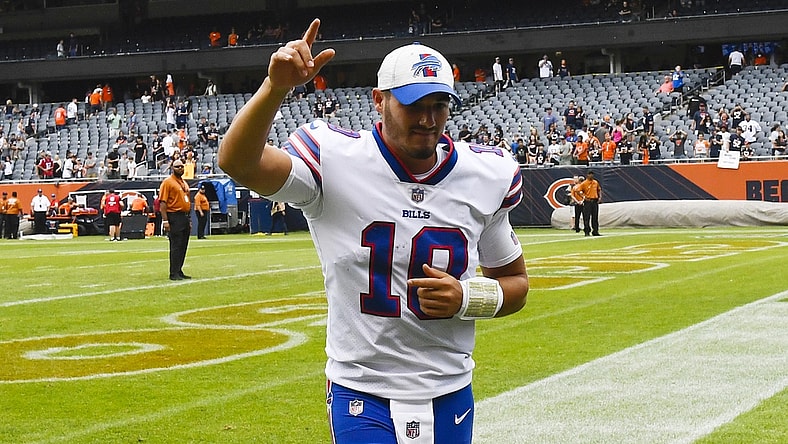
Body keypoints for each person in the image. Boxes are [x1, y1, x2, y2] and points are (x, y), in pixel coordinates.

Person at [217, 19, 529, 444]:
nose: (428, 118)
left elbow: (515, 284)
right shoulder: (334, 158)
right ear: (378, 101)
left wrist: (466, 298)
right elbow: (238, 163)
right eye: (414, 104)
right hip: (361, 387)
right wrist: (275, 89)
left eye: (439, 105)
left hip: (448, 386)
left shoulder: (486, 174)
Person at [159, 159, 192, 280]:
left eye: (182, 167)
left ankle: (179, 269)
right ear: (172, 168)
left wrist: (189, 219)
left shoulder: (183, 182)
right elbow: (163, 202)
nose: (180, 169)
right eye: (178, 167)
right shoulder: (168, 182)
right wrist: (165, 220)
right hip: (174, 215)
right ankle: (173, 272)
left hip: (184, 216)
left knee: (183, 245)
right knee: (176, 245)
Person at [577, 171, 602, 237]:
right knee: (586, 217)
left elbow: (599, 190)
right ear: (587, 175)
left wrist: (599, 197)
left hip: (594, 201)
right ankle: (587, 231)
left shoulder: (595, 182)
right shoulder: (584, 183)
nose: (591, 176)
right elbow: (578, 191)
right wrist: (584, 197)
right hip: (588, 201)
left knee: (595, 217)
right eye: (590, 174)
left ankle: (595, 231)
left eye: (592, 174)